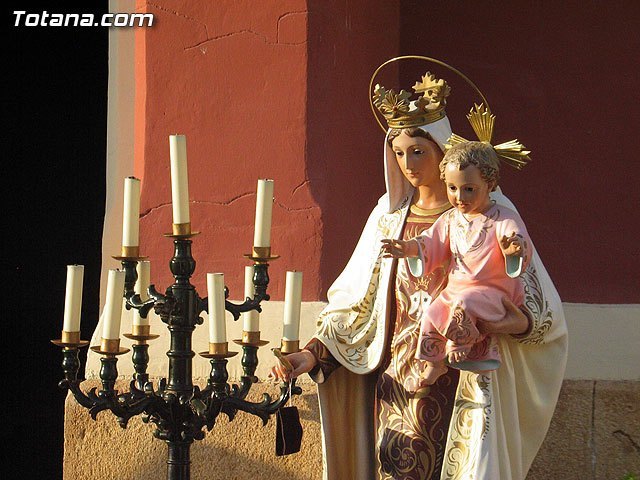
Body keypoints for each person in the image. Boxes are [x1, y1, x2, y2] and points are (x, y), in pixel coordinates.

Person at [270, 70, 567, 480]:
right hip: (398, 374)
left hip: (466, 375)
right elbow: (359, 301)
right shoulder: (388, 220)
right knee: (396, 463)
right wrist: (312, 354)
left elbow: (538, 306)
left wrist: (511, 321)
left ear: (443, 152)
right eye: (398, 153)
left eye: (418, 152)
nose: (407, 164)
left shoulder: (489, 215)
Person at [381, 140, 532, 386]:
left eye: (469, 189)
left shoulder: (503, 217)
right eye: (452, 188)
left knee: (465, 303)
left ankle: (462, 343)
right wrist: (409, 248)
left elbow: (515, 240)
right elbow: (431, 243)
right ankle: (434, 362)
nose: (459, 197)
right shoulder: (451, 219)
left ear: (490, 184)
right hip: (456, 289)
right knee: (433, 311)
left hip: (493, 292)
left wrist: (514, 249)